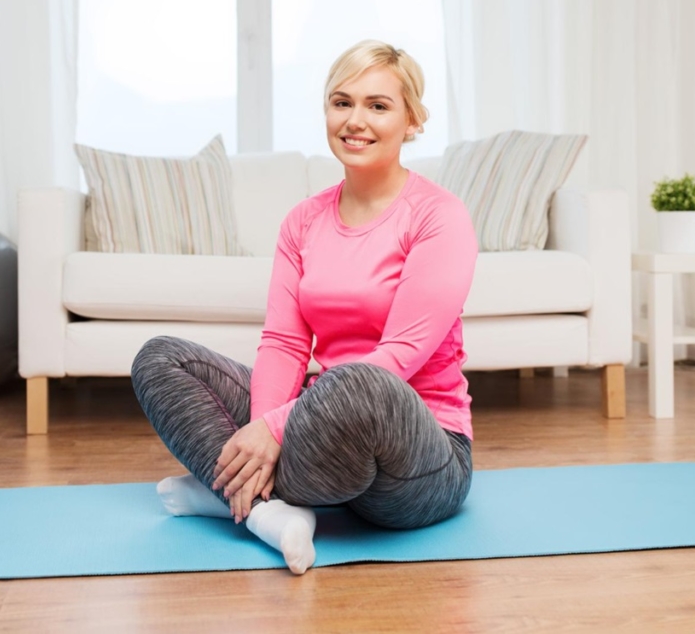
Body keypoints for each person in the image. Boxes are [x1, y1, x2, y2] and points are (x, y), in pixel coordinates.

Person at [131, 39, 478, 575]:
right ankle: (266, 511)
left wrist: (273, 432)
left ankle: (225, 490)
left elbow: (402, 355)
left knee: (353, 380)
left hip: (420, 459)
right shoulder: (302, 221)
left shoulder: (439, 217)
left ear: (412, 120)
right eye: (342, 103)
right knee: (160, 358)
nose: (355, 120)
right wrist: (266, 425)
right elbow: (285, 343)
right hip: (320, 426)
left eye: (378, 106)